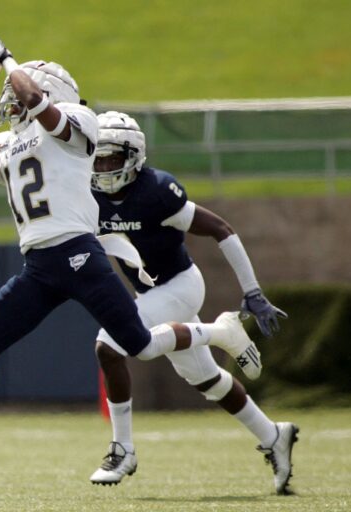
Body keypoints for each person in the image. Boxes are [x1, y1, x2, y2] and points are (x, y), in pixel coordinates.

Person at [0, 33, 262, 476]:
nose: (10, 99)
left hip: (78, 253)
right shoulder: (9, 144)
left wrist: (6, 58)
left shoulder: (77, 122)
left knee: (136, 345)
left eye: (15, 90)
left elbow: (40, 106)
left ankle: (218, 333)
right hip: (39, 265)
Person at [88, 111, 297, 494]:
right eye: (96, 158)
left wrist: (252, 291)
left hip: (182, 285)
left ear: (133, 156)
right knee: (209, 382)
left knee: (110, 346)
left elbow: (221, 228)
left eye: (111, 158)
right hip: (151, 293)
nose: (102, 167)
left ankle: (123, 449)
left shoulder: (156, 191)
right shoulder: (88, 197)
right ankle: (273, 435)